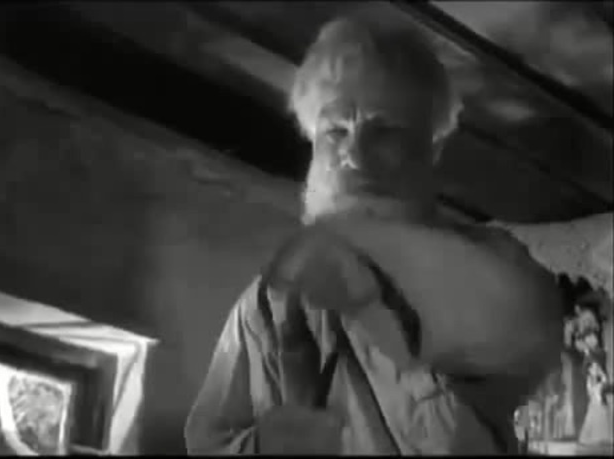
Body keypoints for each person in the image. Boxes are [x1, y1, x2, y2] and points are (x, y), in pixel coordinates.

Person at [185, 15, 564, 455]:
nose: (356, 156)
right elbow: (207, 443)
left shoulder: (493, 268)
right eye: (335, 131)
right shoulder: (264, 308)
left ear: (433, 146)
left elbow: (525, 333)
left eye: (385, 132)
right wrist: (264, 445)